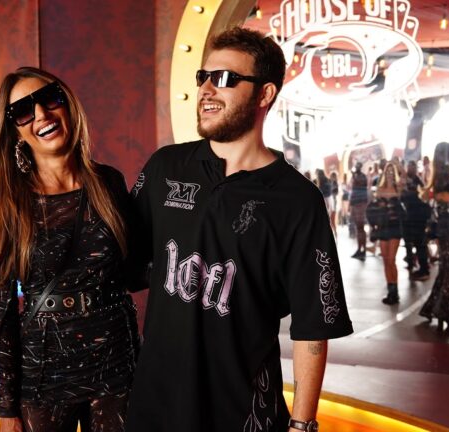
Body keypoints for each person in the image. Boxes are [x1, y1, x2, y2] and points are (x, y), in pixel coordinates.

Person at [125, 27, 353, 432]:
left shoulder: (297, 200)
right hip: (155, 406)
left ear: (265, 94)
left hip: (244, 413)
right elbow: (122, 264)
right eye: (204, 77)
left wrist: (302, 425)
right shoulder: (165, 168)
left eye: (225, 78)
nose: (207, 89)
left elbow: (312, 328)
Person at [0, 67, 139, 432]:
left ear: (67, 104)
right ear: (14, 131)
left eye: (49, 99)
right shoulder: (7, 205)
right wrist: (6, 408)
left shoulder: (109, 183)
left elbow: (136, 271)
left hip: (116, 362)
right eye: (23, 111)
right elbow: (2, 316)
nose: (41, 115)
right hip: (44, 370)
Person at [419, 142, 449, 331]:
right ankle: (441, 310)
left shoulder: (440, 175)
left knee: (445, 270)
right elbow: (448, 198)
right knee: (448, 271)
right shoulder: (446, 176)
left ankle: (433, 307)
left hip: (446, 228)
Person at [368, 163, 405, 305]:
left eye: (392, 171)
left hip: (395, 227)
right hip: (383, 227)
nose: (389, 173)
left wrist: (399, 167)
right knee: (385, 260)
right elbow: (373, 204)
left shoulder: (398, 188)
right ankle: (391, 292)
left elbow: (404, 180)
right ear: (384, 173)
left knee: (391, 260)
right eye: (387, 171)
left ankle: (395, 293)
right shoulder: (379, 189)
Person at [401, 160, 430, 280]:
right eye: (409, 167)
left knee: (420, 243)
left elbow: (423, 196)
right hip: (407, 216)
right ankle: (411, 262)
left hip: (418, 217)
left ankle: (424, 268)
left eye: (412, 167)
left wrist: (411, 194)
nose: (410, 169)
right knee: (408, 242)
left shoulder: (418, 181)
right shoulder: (403, 180)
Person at [349, 161, 369, 260]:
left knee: (360, 228)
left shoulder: (362, 177)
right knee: (358, 228)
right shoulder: (356, 176)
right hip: (355, 204)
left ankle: (363, 250)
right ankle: (359, 249)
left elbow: (360, 184)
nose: (356, 168)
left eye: (358, 166)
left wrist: (354, 176)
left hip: (360, 205)